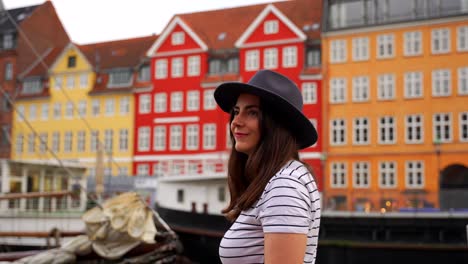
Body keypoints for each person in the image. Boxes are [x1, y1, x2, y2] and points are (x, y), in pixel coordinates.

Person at [215, 69, 321, 264]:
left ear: (277, 124)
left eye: (252, 112)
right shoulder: (277, 179)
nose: (236, 122)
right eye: (236, 112)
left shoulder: (284, 186)